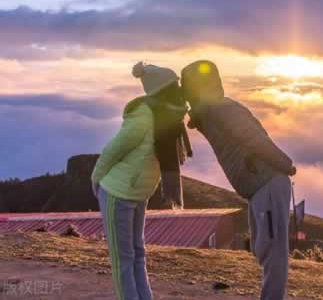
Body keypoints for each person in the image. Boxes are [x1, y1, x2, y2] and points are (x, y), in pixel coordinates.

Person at [181, 60, 296, 300]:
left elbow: (252, 138)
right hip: (261, 184)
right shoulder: (215, 110)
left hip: (263, 183)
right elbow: (252, 138)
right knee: (267, 250)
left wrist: (283, 164)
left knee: (271, 251)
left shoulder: (215, 111)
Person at [91, 62, 191, 300]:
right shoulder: (173, 114)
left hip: (118, 192)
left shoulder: (144, 114)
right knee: (137, 254)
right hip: (140, 191)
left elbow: (114, 150)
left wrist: (95, 178)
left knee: (122, 259)